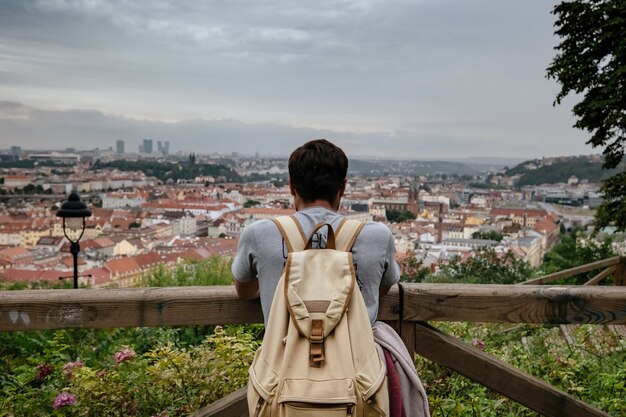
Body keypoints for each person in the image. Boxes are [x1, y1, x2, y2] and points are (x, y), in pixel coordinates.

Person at [232, 138, 400, 325]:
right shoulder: (378, 236)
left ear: (291, 186)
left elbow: (244, 292)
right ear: (343, 187)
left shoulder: (258, 234)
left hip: (285, 352)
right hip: (354, 353)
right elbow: (378, 288)